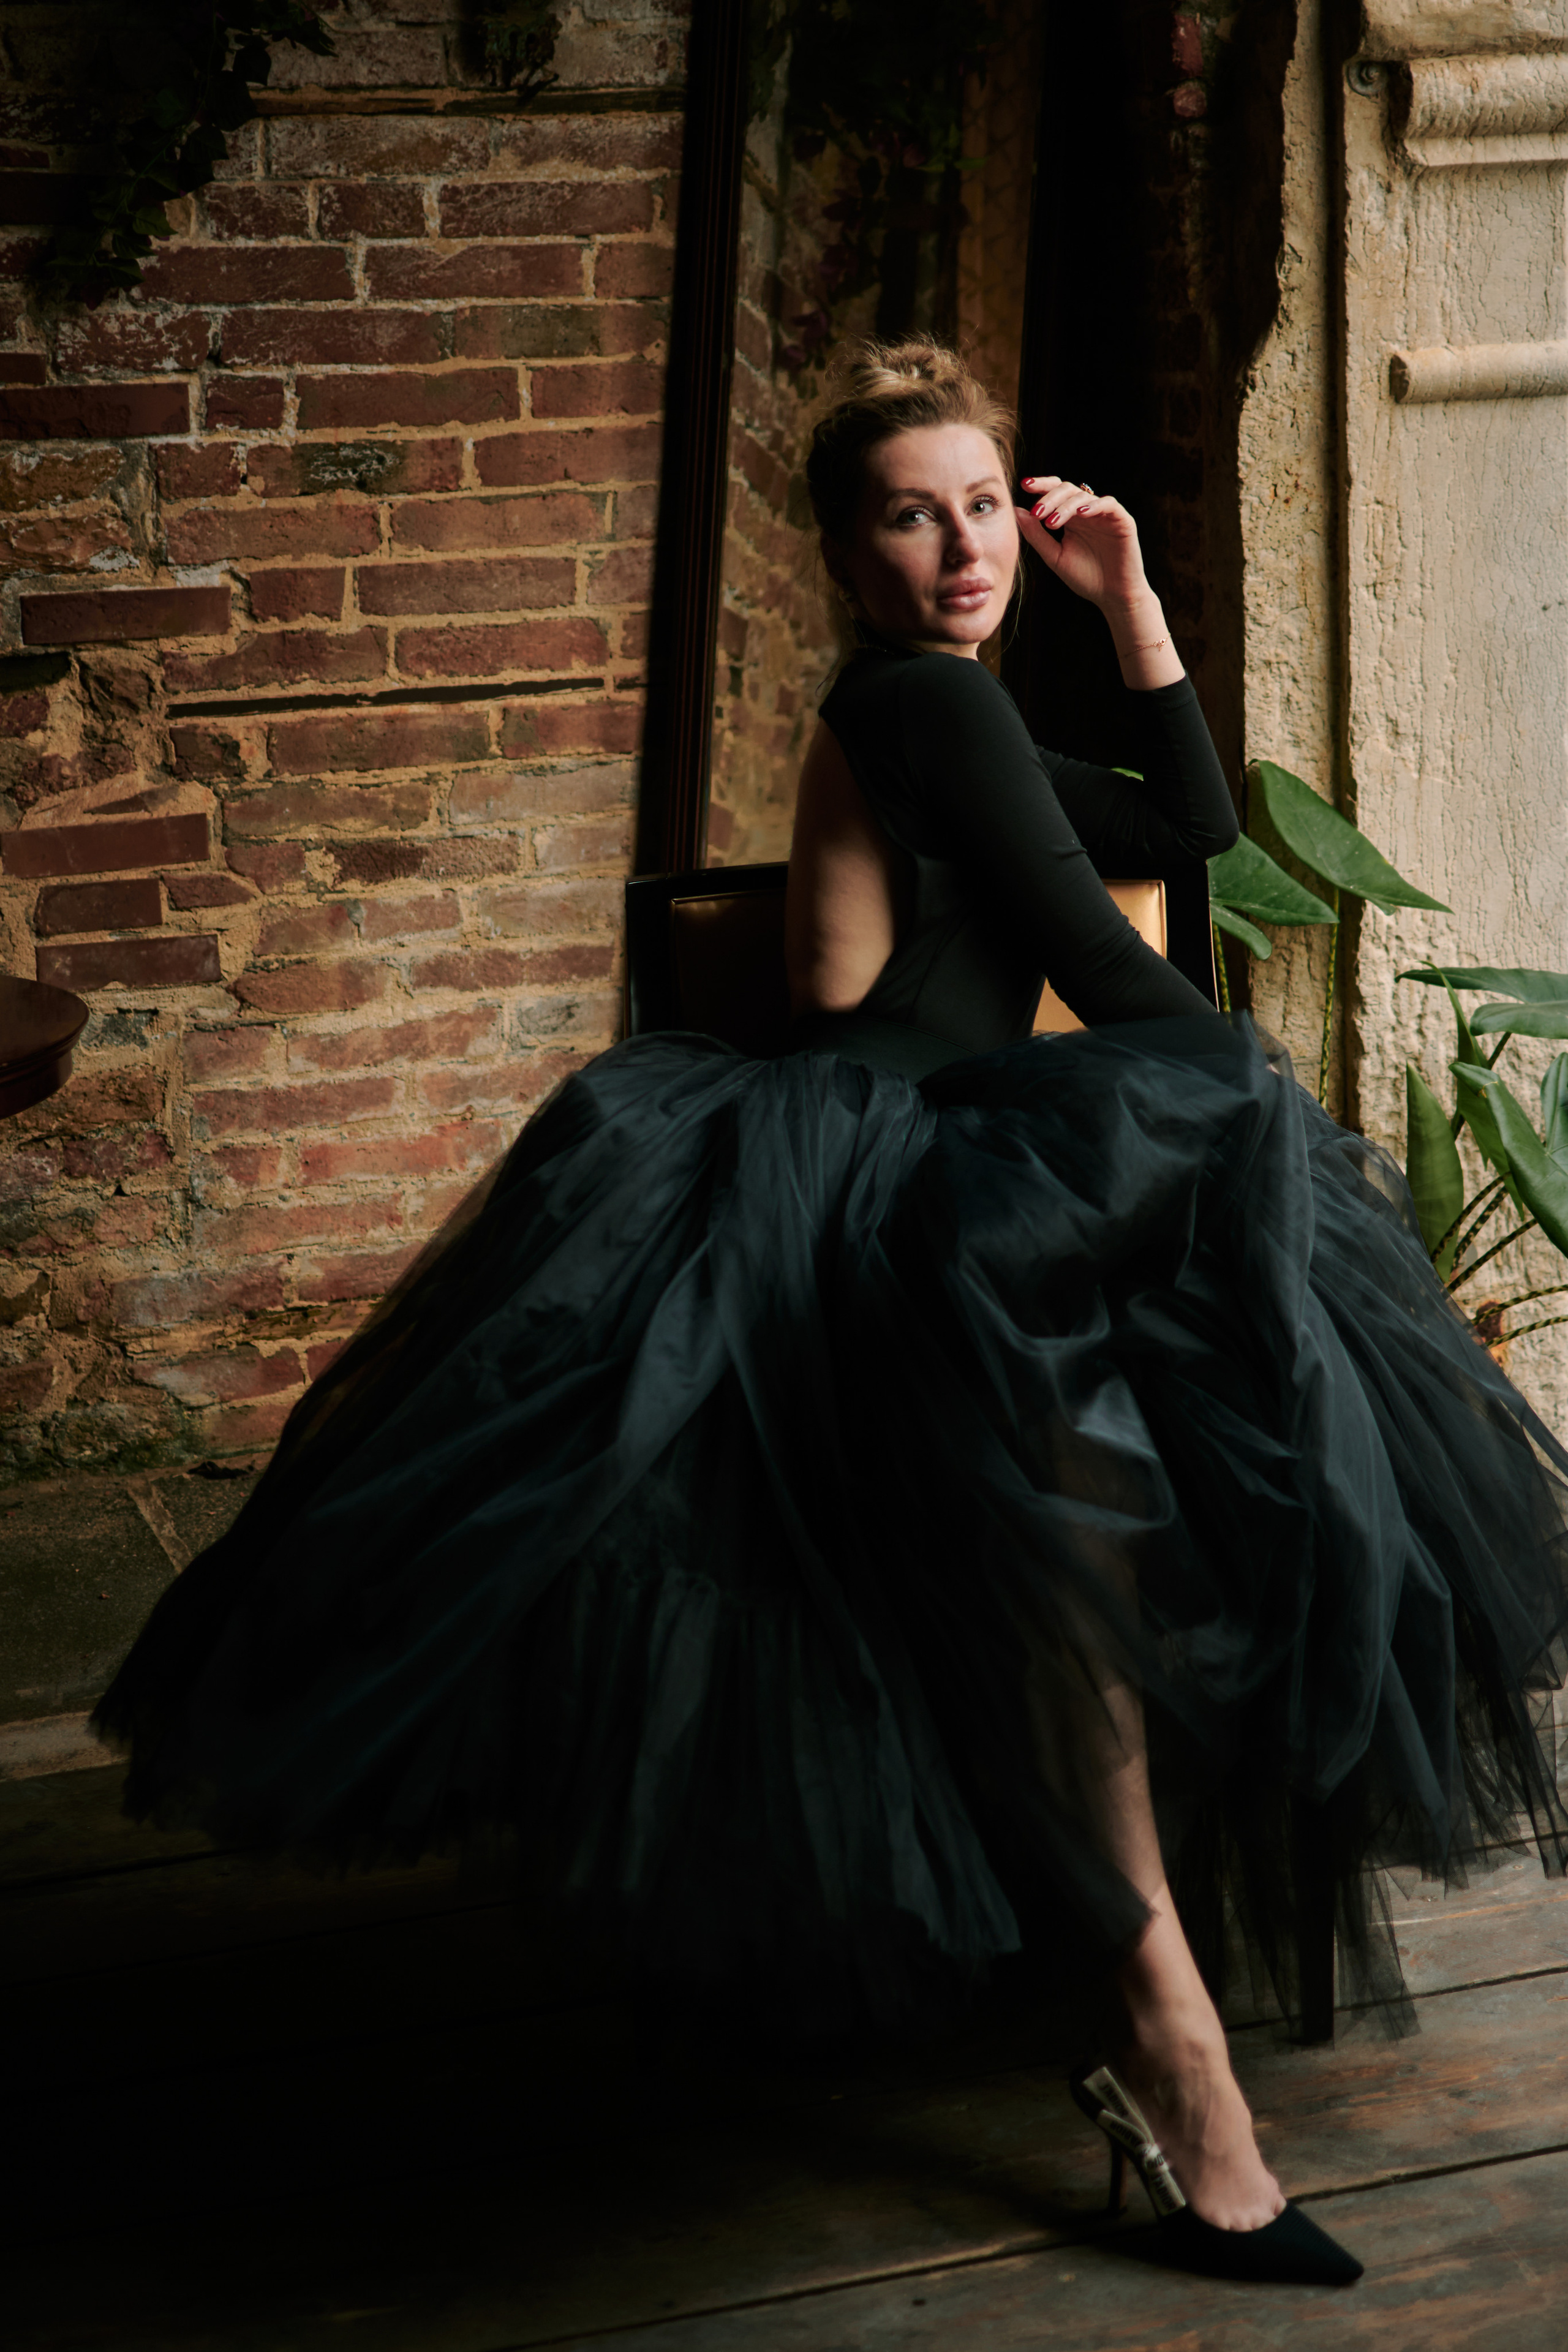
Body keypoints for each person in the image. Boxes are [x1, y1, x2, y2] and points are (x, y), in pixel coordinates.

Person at [96, 343, 1568, 2291]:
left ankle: (1130, 1987)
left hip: (944, 1155)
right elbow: (1117, 992)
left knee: (1136, 1463)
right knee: (1104, 1454)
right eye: (911, 513)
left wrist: (1122, 593)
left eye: (985, 504)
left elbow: (1194, 836)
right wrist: (1269, 1141)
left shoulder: (953, 701)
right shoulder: (914, 705)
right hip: (871, 1174)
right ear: (843, 551)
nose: (962, 545)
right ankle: (1170, 2050)